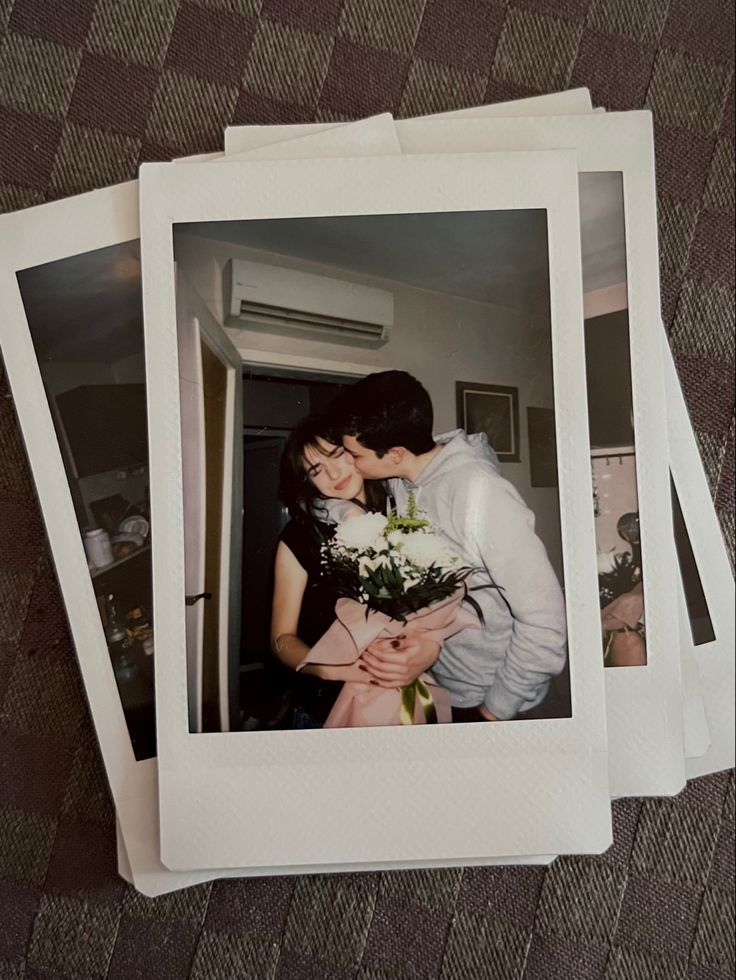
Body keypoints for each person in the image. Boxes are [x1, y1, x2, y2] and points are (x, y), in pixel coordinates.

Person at [331, 370, 568, 723]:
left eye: (355, 455)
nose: (349, 463)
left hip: (500, 702)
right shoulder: (403, 480)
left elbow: (546, 623)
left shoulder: (482, 494)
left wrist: (494, 710)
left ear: (395, 453)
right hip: (440, 686)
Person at [270, 413, 442, 727]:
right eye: (315, 469)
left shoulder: (403, 511)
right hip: (325, 707)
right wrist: (327, 667)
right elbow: (281, 639)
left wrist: (428, 650)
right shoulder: (300, 537)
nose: (333, 473)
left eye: (337, 454)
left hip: (402, 699)